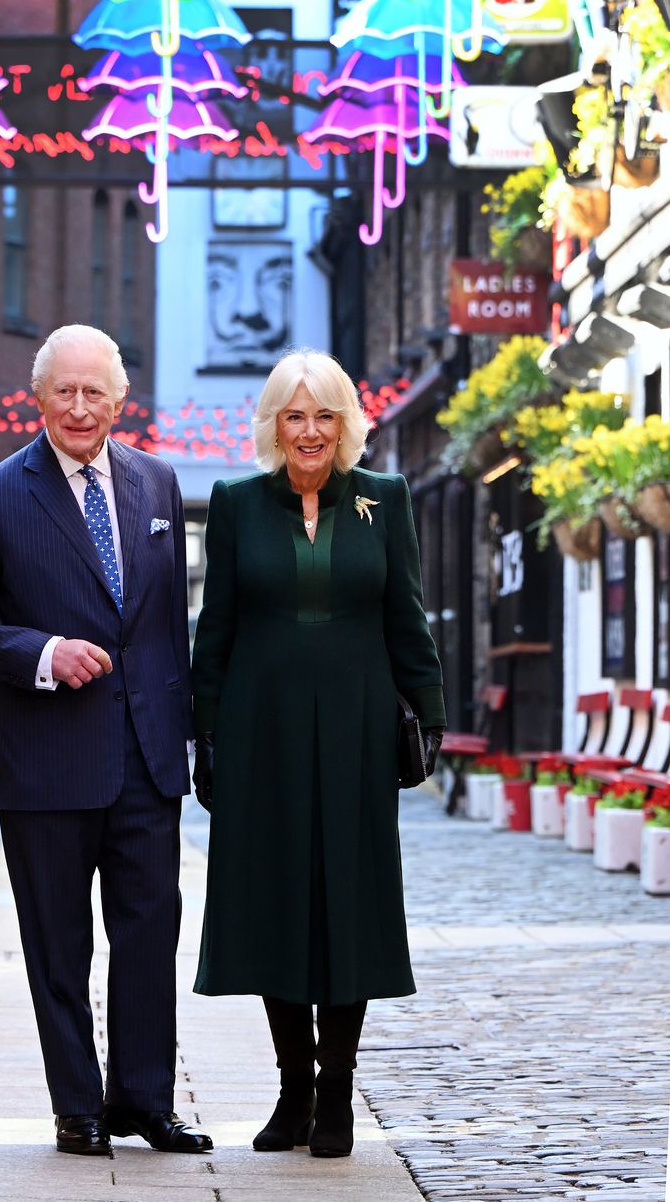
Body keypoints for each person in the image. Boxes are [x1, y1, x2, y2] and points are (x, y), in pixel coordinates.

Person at [0, 324, 211, 1159]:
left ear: (119, 399)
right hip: (45, 757)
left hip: (145, 755)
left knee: (149, 934)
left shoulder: (158, 484)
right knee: (60, 945)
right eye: (66, 391)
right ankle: (79, 1107)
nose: (81, 407)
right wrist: (43, 653)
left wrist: (188, 734)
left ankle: (147, 1101)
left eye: (96, 392)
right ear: (40, 396)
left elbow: (164, 629)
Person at [190, 349, 445, 1159]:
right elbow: (215, 629)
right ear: (273, 425)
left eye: (324, 415)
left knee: (348, 902)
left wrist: (429, 719)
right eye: (295, 416)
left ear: (346, 425)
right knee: (276, 903)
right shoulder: (235, 504)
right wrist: (204, 734)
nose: (310, 431)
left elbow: (408, 618)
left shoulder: (385, 499)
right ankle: (292, 1086)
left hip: (357, 729)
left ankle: (337, 1089)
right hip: (260, 728)